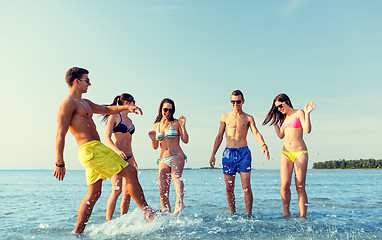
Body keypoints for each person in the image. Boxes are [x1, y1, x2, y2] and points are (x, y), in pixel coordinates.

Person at [54, 67, 155, 234]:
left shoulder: (85, 103)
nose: (90, 83)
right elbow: (60, 134)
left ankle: (77, 232)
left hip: (96, 149)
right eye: (87, 80)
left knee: (94, 194)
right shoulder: (68, 103)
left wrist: (126, 108)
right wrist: (59, 162)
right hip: (90, 150)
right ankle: (147, 213)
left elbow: (107, 109)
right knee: (130, 171)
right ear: (76, 81)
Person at [209, 90, 270, 217]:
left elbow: (256, 133)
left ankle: (249, 215)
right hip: (228, 153)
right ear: (230, 102)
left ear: (243, 101)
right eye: (233, 101)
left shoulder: (248, 118)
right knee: (229, 188)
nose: (235, 104)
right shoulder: (225, 117)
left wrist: (263, 145)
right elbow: (219, 136)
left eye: (238, 101)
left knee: (246, 187)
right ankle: (233, 214)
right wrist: (213, 154)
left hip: (244, 153)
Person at [262, 93, 316, 219]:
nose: (279, 109)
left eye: (280, 106)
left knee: (300, 186)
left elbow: (307, 130)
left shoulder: (299, 112)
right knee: (285, 185)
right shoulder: (283, 119)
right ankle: (286, 213)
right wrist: (274, 123)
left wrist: (307, 114)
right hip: (286, 153)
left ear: (286, 101)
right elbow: (281, 135)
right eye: (277, 108)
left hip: (300, 153)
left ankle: (303, 216)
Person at [148, 98, 189, 216]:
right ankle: (167, 216)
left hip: (177, 155)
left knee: (176, 176)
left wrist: (183, 126)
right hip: (163, 159)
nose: (167, 112)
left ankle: (180, 202)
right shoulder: (156, 125)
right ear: (161, 109)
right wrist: (152, 139)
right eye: (165, 109)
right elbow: (155, 147)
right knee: (163, 191)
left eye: (170, 110)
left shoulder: (176, 123)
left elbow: (185, 140)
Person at [102, 93, 139, 221]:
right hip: (116, 157)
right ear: (126, 103)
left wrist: (133, 159)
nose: (135, 104)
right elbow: (107, 138)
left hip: (129, 157)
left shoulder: (130, 121)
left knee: (127, 193)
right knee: (116, 191)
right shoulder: (115, 116)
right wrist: (116, 150)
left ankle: (123, 220)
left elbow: (129, 142)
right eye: (133, 101)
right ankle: (108, 221)